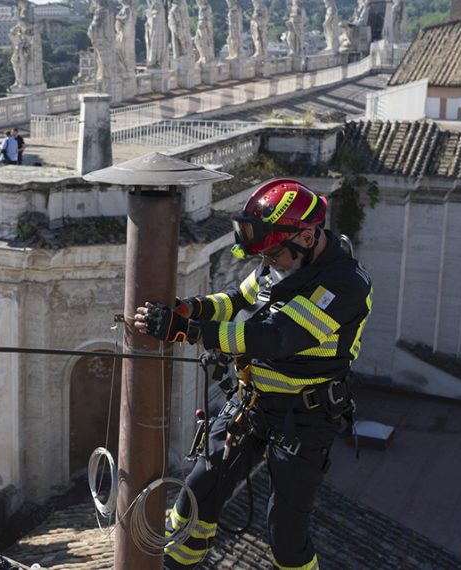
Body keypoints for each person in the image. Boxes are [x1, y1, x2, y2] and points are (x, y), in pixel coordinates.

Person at [132, 179, 372, 570]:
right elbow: (237, 299)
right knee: (196, 495)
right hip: (251, 404)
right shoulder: (280, 259)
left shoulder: (345, 285)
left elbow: (276, 338)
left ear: (307, 237)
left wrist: (189, 332)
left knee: (285, 533)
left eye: (273, 253)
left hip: (304, 417)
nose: (267, 261)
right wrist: (192, 309)